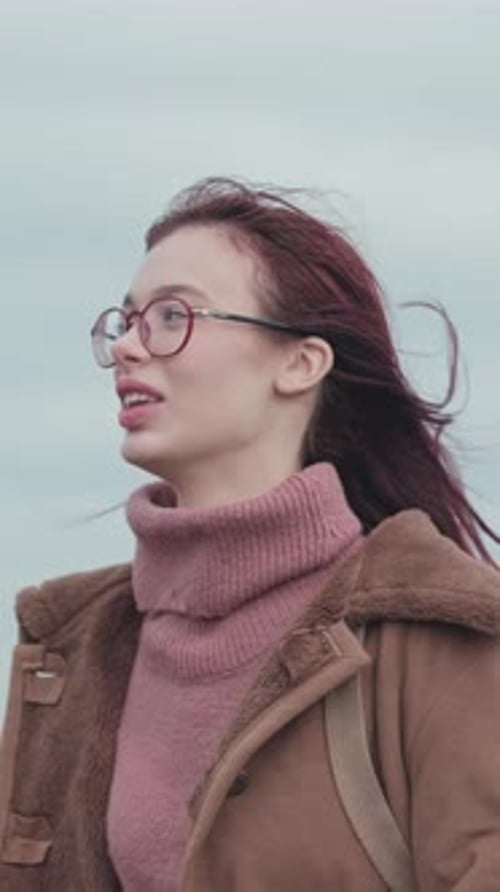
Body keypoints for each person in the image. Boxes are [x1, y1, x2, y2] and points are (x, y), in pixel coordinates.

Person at [1, 177, 499, 892]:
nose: (130, 348)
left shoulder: (439, 632)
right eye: (127, 321)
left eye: (173, 316)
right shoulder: (71, 643)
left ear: (300, 363)